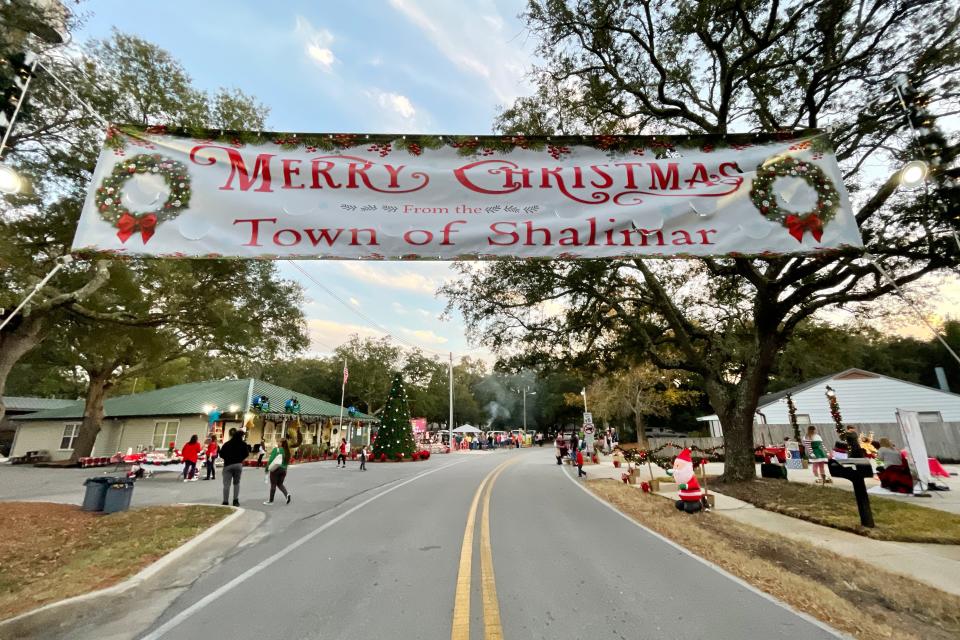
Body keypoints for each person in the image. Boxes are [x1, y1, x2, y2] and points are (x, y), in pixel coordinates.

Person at [219, 428, 250, 506]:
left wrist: (227, 458)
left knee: (226, 484)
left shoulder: (227, 444)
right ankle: (235, 500)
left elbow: (221, 454)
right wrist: (240, 459)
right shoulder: (243, 444)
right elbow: (246, 454)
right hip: (238, 465)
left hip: (228, 465)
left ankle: (225, 501)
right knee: (236, 483)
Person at [264, 438, 292, 505]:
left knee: (273, 484)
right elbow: (287, 462)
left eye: (279, 442)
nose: (277, 443)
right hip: (284, 470)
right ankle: (287, 495)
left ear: (282, 443)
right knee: (280, 484)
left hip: (276, 469)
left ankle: (271, 501)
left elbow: (271, 460)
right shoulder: (287, 451)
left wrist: (266, 469)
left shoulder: (276, 450)